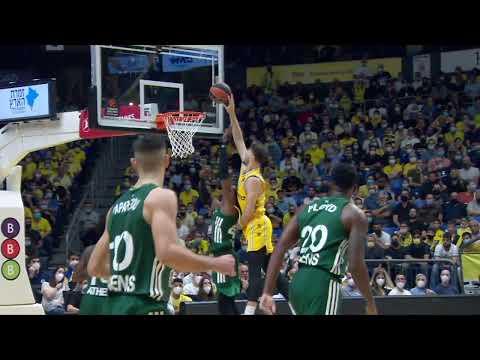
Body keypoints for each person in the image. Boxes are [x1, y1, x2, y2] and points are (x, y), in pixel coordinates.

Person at [88, 134, 235, 315]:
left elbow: (94, 266)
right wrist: (214, 264)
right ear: (167, 160)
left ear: (134, 163)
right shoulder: (160, 197)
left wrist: (129, 276)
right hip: (144, 307)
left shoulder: (115, 208)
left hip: (113, 307)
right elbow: (168, 254)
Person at [259, 163, 377, 315]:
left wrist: (268, 292)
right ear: (355, 189)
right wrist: (370, 301)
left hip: (297, 282)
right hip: (324, 282)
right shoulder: (354, 214)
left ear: (330, 183)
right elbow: (355, 265)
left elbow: (280, 247)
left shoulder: (307, 208)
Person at [224, 94, 275, 315]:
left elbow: (250, 210)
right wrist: (231, 113)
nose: (245, 151)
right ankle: (298, 305)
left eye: (249, 151)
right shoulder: (247, 167)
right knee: (272, 273)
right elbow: (238, 137)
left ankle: (249, 311)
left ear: (255, 157)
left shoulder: (254, 179)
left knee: (255, 272)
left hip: (257, 224)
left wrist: (236, 228)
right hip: (252, 226)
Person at [210, 131, 242, 315]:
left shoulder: (229, 206)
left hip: (223, 256)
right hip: (222, 257)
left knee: (225, 303)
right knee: (225, 302)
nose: (232, 187)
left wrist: (223, 147)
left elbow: (223, 175)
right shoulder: (222, 205)